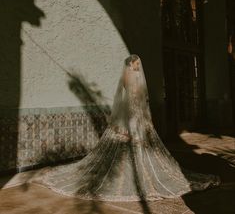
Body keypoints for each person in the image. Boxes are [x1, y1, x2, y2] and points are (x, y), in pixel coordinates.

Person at [29, 54, 221, 201]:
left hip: (137, 119)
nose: (138, 67)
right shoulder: (131, 80)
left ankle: (136, 173)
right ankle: (129, 176)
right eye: (136, 64)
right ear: (131, 65)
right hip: (132, 119)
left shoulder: (133, 79)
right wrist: (136, 120)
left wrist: (141, 118)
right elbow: (131, 103)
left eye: (138, 64)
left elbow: (137, 102)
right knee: (129, 149)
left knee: (137, 149)